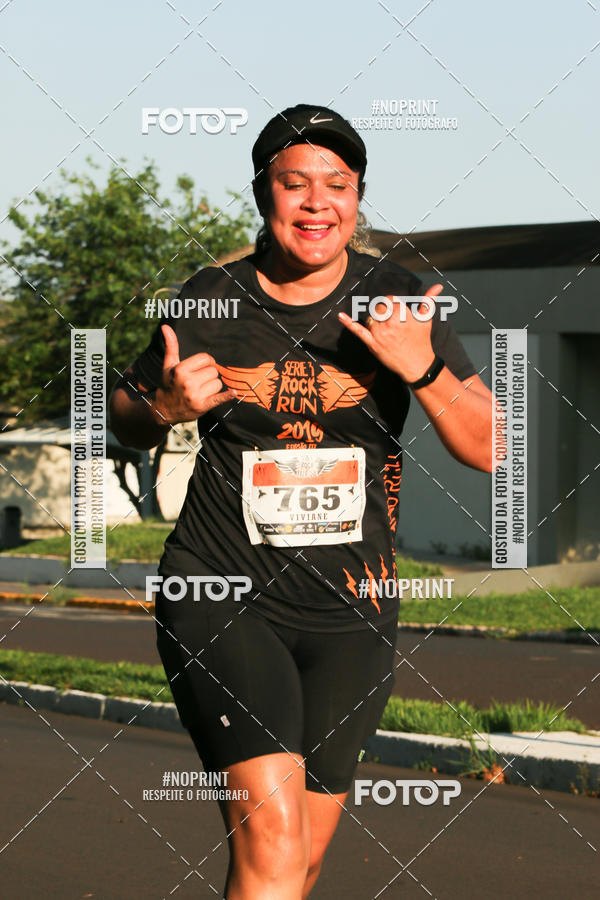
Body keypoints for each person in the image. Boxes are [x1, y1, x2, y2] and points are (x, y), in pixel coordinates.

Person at [109, 103, 495, 899]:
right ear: (264, 194)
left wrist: (421, 369)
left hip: (353, 605)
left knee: (303, 857)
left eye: (338, 184)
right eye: (296, 184)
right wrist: (163, 409)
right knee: (274, 845)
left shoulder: (399, 298)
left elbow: (496, 449)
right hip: (222, 588)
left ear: (357, 197)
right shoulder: (211, 297)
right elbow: (123, 411)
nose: (318, 202)